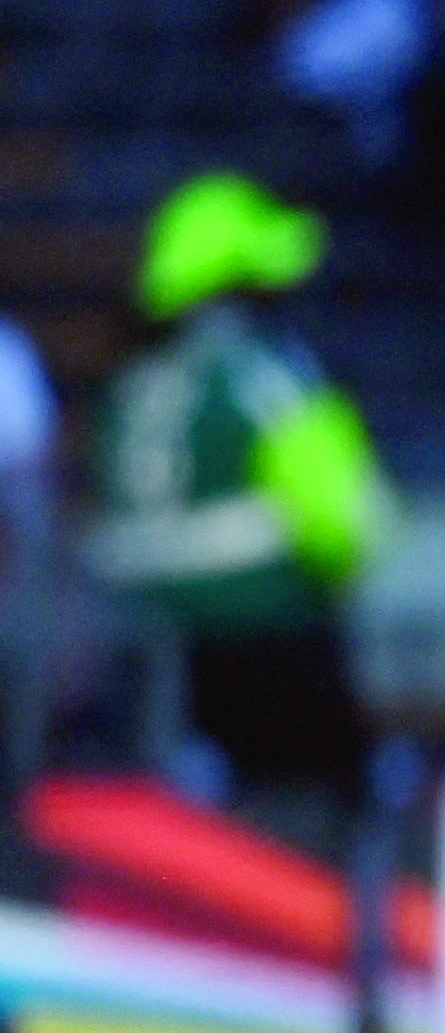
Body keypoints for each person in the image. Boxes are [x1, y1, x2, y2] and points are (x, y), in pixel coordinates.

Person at [89, 174, 390, 802]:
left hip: (134, 658)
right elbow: (349, 521)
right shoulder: (268, 373)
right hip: (270, 652)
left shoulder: (128, 387)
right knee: (313, 830)